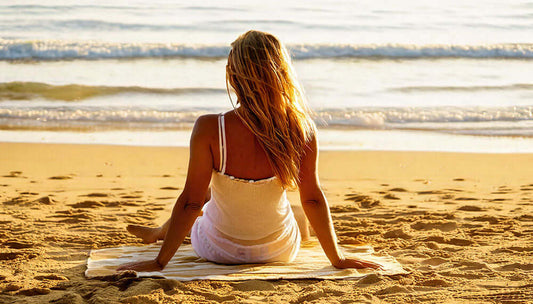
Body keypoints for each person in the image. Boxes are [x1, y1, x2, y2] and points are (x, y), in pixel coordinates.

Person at [117, 30, 382, 272]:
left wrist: (159, 262)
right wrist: (337, 259)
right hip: (278, 252)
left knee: (210, 195)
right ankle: (157, 232)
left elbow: (190, 203)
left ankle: (158, 234)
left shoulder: (210, 128)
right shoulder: (301, 129)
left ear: (232, 76)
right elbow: (312, 198)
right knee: (298, 212)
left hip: (217, 249)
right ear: (283, 74)